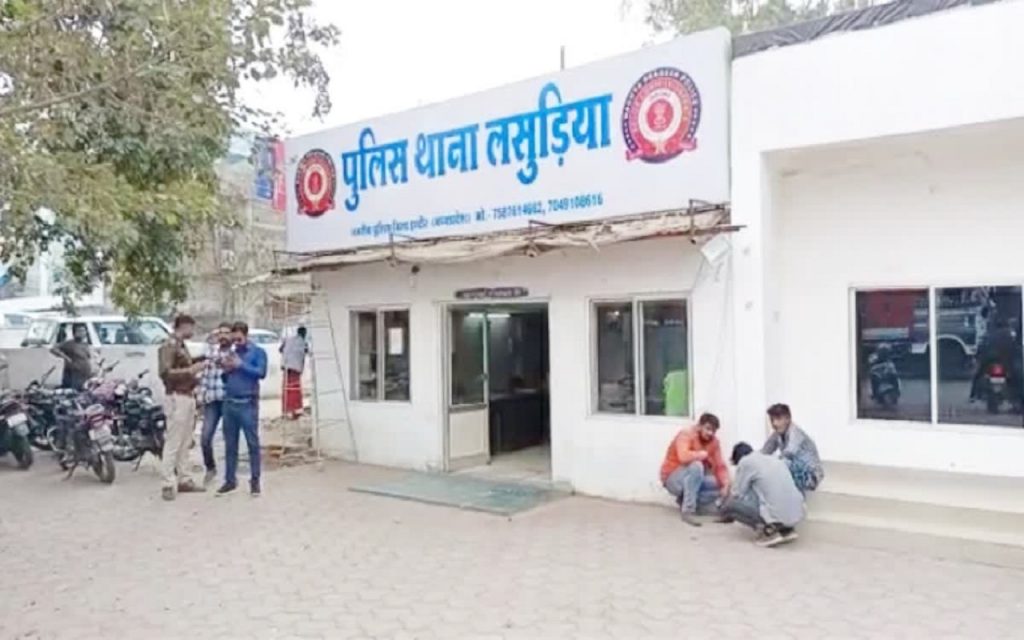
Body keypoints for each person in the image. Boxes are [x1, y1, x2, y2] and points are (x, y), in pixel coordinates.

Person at [157, 315, 206, 501]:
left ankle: (184, 478)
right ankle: (168, 482)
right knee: (173, 441)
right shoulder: (169, 345)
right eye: (191, 328)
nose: (192, 332)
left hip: (187, 394)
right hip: (176, 396)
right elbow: (165, 372)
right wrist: (190, 371)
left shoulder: (181, 345)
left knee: (185, 441)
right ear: (183, 326)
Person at [721, 442, 805, 547]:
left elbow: (736, 493)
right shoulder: (774, 459)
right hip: (797, 512)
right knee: (764, 495)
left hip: (777, 514)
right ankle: (786, 530)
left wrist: (723, 499)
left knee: (730, 505)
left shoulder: (745, 462)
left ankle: (769, 531)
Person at [217, 321, 268, 497]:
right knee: (230, 444)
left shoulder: (258, 352)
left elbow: (261, 372)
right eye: (234, 340)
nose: (237, 343)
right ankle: (230, 480)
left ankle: (255, 481)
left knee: (252, 443)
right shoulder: (232, 353)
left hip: (248, 403)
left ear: (246, 336)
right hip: (229, 402)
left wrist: (241, 365)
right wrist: (226, 368)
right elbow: (225, 378)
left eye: (239, 339)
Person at [659, 413, 730, 527]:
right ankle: (688, 511)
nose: (710, 433)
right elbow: (683, 456)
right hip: (673, 479)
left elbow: (720, 466)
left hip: (693, 478)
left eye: (713, 431)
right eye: (708, 429)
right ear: (699, 426)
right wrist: (701, 454)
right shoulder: (686, 434)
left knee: (718, 482)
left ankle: (693, 504)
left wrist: (725, 485)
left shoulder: (714, 442)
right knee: (696, 466)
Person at [198, 322, 232, 487]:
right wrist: (201, 396)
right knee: (205, 437)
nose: (223, 336)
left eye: (226, 333)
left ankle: (230, 473)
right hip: (212, 400)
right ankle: (210, 468)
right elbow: (205, 376)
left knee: (230, 437)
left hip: (228, 400)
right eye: (220, 333)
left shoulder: (235, 354)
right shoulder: (211, 352)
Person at [762, 403, 824, 494]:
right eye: (772, 420)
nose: (774, 423)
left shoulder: (796, 433)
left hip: (810, 475)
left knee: (783, 463)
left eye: (778, 419)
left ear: (788, 419)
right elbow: (764, 452)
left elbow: (788, 454)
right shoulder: (777, 434)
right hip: (795, 471)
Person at [51, 324, 93, 391]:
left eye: (84, 331)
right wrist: (65, 357)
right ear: (74, 333)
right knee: (73, 391)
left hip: (85, 373)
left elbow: (88, 357)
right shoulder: (69, 343)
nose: (82, 333)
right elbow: (53, 349)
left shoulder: (85, 344)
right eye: (79, 331)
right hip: (73, 374)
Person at [279, 326, 308, 419]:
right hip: (295, 367)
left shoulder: (289, 339)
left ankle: (285, 410)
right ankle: (294, 410)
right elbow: (306, 352)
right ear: (304, 334)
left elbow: (280, 349)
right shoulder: (303, 342)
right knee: (294, 389)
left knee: (286, 388)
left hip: (286, 366)